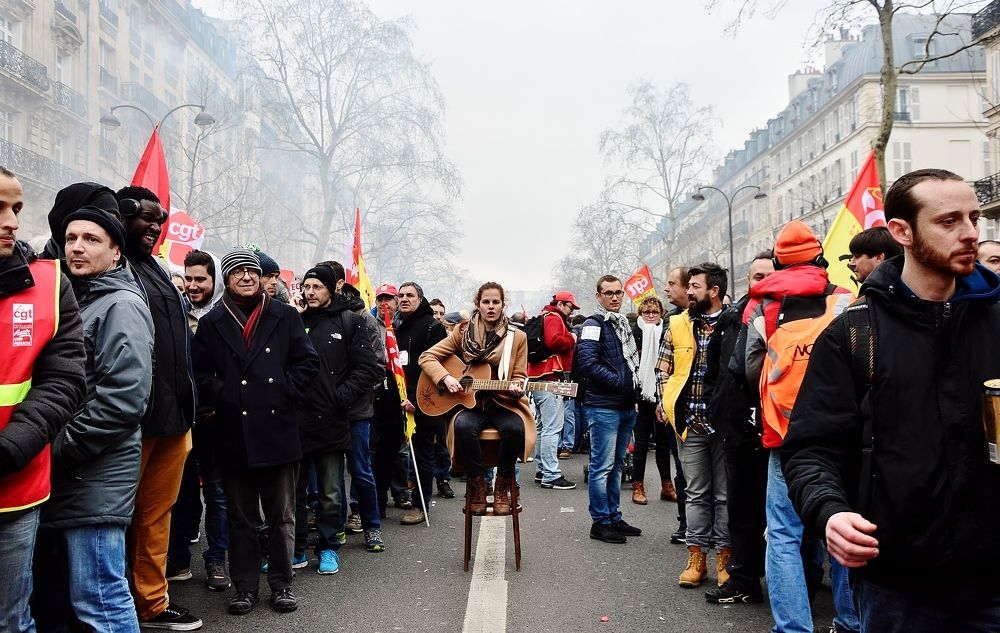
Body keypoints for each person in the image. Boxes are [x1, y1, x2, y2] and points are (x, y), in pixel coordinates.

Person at [784, 169, 1000, 632]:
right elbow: (810, 449)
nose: (969, 233)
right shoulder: (854, 334)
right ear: (901, 231)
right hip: (898, 585)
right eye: (948, 221)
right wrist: (831, 512)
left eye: (974, 218)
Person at [32, 207, 154, 632]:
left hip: (94, 477)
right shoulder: (75, 297)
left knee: (100, 598)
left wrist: (57, 448)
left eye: (91, 239)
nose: (77, 247)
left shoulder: (121, 304)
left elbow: (123, 398)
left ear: (117, 252)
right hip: (71, 476)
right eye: (71, 238)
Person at [740, 221, 857, 633]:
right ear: (819, 255)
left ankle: (793, 628)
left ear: (776, 260)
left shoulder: (761, 307)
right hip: (842, 430)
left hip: (784, 432)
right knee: (841, 526)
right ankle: (850, 621)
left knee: (784, 536)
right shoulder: (846, 300)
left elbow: (747, 368)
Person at [192, 249, 319, 616]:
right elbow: (200, 374)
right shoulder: (214, 321)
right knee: (241, 517)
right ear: (226, 279)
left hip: (278, 429)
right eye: (237, 272)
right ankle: (245, 587)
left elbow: (307, 361)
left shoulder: (284, 315)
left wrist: (282, 389)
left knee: (282, 516)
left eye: (252, 271)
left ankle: (281, 585)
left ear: (261, 277)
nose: (246, 277)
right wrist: (227, 395)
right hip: (234, 430)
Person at [0, 167, 87, 633]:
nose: (11, 220)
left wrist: (12, 448)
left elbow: (65, 380)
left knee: (11, 620)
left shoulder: (49, 285)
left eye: (16, 208)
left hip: (15, 486)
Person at [116, 186, 203, 630]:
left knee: (156, 515)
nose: (153, 227)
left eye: (159, 221)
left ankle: (150, 603)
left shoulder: (154, 268)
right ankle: (113, 605)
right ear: (119, 216)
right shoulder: (112, 268)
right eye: (144, 218)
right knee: (116, 517)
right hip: (135, 421)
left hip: (174, 419)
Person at [294, 265, 382, 576]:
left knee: (330, 492)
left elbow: (369, 369)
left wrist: (339, 397)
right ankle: (295, 548)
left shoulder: (350, 321)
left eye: (317, 287)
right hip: (296, 422)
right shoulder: (295, 321)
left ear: (332, 289)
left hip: (331, 422)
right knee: (295, 492)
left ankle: (329, 547)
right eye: (307, 287)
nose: (310, 292)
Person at [419, 282, 534, 515]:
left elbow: (520, 374)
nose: (491, 307)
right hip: (471, 404)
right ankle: (477, 484)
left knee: (515, 429)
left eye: (496, 302)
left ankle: (502, 485)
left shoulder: (518, 337)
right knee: (462, 426)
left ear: (503, 305)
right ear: (477, 304)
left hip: (503, 402)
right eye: (486, 302)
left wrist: (518, 386)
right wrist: (446, 378)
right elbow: (427, 357)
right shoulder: (461, 332)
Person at [703, 251, 774, 605]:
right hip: (736, 428)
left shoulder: (787, 313)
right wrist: (720, 412)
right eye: (755, 275)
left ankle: (796, 578)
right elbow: (715, 370)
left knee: (779, 510)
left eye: (767, 274)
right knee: (741, 507)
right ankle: (744, 578)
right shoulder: (733, 318)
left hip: (775, 428)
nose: (760, 281)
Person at [656, 263, 731, 588]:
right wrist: (664, 400)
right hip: (690, 424)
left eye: (695, 287)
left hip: (726, 426)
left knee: (725, 496)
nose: (688, 292)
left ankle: (725, 560)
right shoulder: (676, 324)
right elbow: (664, 370)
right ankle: (696, 559)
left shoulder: (735, 321)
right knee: (696, 494)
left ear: (713, 291)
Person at [165, 249, 231, 592]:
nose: (192, 285)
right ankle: (177, 558)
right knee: (181, 490)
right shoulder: (174, 310)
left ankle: (217, 558)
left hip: (216, 421)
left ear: (214, 280)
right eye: (188, 279)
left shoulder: (226, 316)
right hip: (181, 419)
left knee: (218, 494)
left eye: (200, 279)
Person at [576, 275, 643, 544]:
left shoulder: (623, 324)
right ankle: (600, 522)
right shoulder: (593, 325)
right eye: (609, 293)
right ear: (598, 296)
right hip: (603, 406)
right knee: (601, 467)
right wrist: (620, 382)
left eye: (618, 293)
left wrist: (631, 389)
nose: (614, 297)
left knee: (616, 466)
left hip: (625, 405)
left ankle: (614, 516)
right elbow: (588, 364)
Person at [394, 282, 447, 525]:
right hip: (394, 401)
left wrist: (415, 399)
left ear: (420, 299)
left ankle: (420, 504)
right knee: (386, 452)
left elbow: (437, 368)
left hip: (422, 403)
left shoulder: (432, 328)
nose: (404, 299)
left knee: (422, 454)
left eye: (410, 295)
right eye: (400, 295)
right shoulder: (394, 326)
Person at [527, 290, 579, 490]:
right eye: (570, 307)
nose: (572, 311)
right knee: (552, 428)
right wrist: (572, 338)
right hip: (550, 379)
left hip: (542, 378)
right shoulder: (554, 318)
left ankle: (543, 470)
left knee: (544, 427)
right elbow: (554, 341)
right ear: (561, 304)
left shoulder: (546, 316)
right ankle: (551, 474)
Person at [630, 295, 674, 505]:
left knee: (664, 443)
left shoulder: (665, 331)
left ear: (660, 314)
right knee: (641, 443)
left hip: (662, 393)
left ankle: (667, 485)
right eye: (646, 312)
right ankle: (638, 485)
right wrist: (633, 397)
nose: (650, 315)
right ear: (640, 313)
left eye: (654, 312)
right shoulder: (634, 331)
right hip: (641, 394)